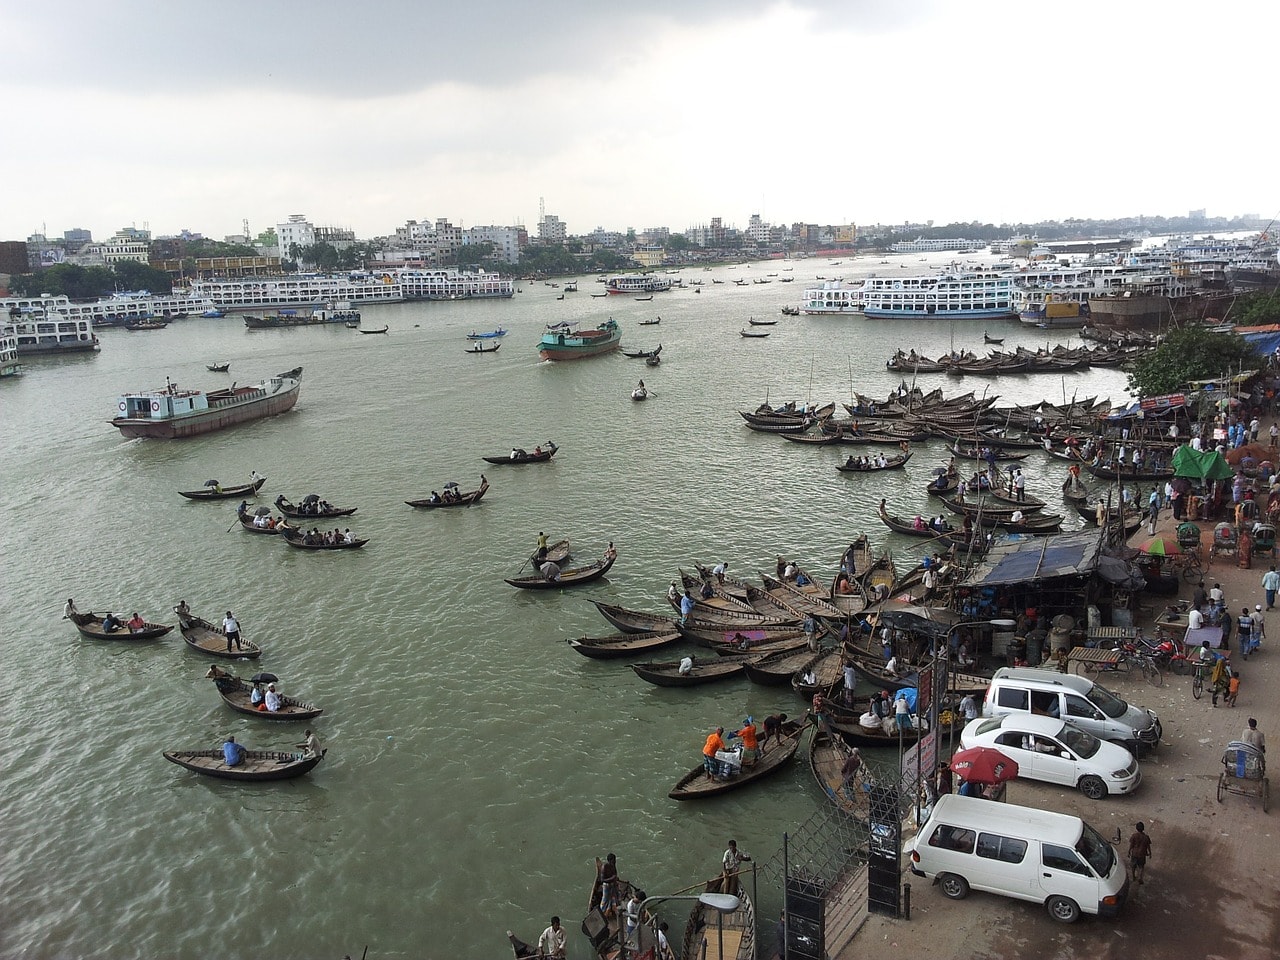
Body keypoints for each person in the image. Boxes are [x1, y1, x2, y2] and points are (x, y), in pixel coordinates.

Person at [596, 854, 619, 919]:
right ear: (609, 861)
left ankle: (612, 909)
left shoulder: (613, 865)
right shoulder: (604, 867)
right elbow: (602, 880)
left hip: (613, 884)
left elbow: (615, 873)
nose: (615, 861)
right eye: (613, 860)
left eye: (615, 860)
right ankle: (602, 912)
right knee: (605, 899)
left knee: (614, 897)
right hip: (606, 885)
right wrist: (612, 878)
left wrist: (615, 880)